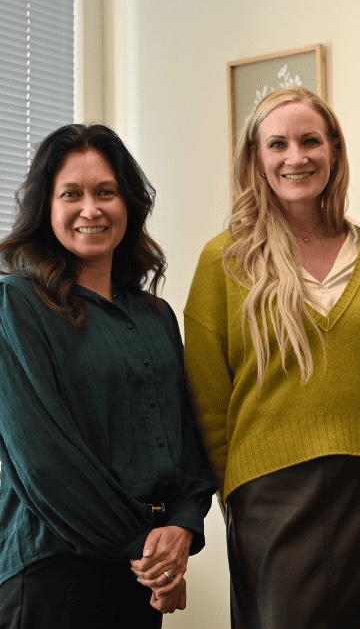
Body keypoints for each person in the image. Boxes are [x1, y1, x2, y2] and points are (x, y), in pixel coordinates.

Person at [184, 86, 360, 628]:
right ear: (256, 158)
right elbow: (207, 399)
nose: (296, 157)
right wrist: (239, 486)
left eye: (310, 141)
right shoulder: (224, 259)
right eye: (278, 144)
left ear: (333, 149)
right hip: (270, 497)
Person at [0, 123, 216, 627]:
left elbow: (188, 441)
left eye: (105, 192)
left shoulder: (157, 316)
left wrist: (182, 528)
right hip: (52, 571)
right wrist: (148, 551)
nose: (90, 209)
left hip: (139, 573)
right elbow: (42, 461)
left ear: (129, 204)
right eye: (71, 194)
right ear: (45, 207)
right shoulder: (16, 304)